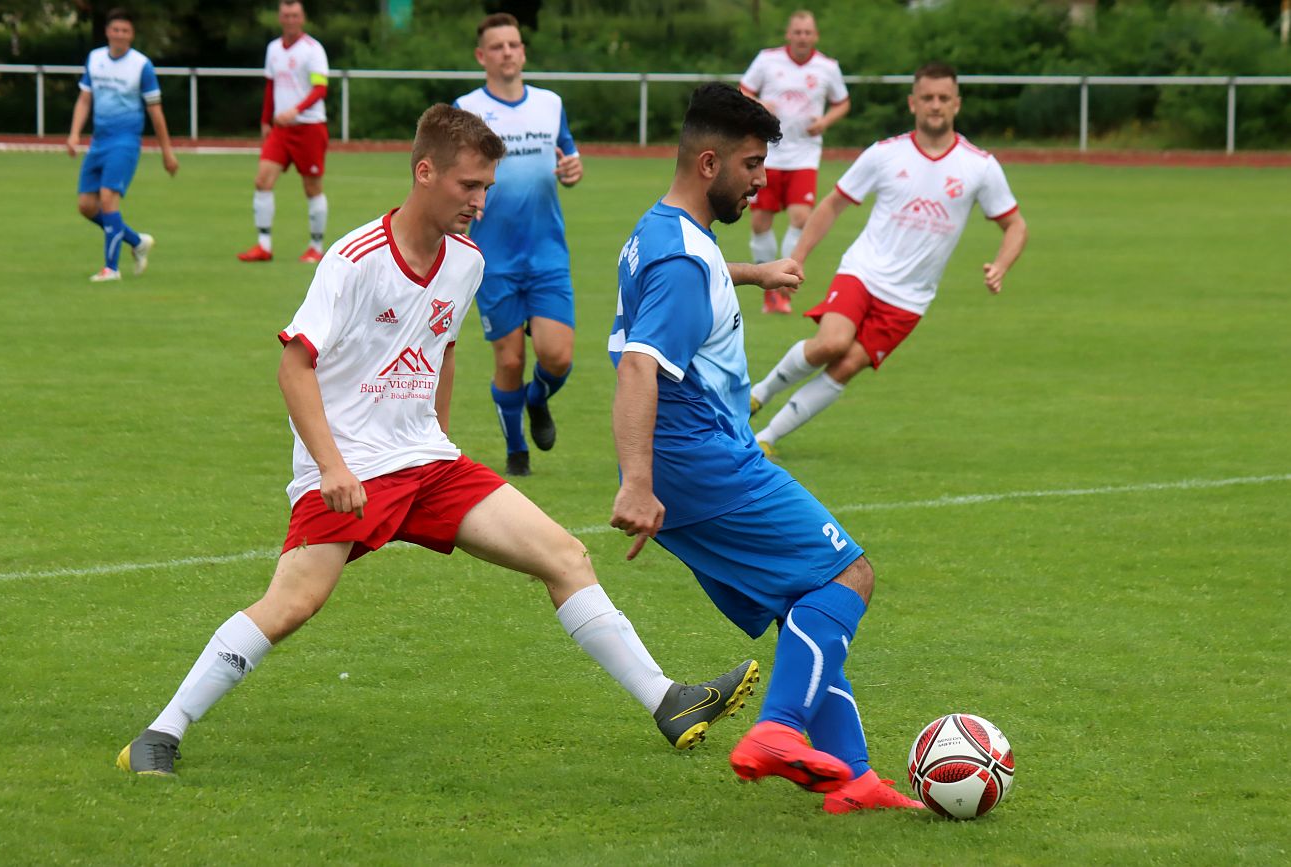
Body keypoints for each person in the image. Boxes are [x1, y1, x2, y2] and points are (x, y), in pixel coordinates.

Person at [117, 104, 758, 778]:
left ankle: (668, 701)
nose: (481, 202)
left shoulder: (466, 263)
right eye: (469, 186)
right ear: (425, 172)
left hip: (428, 464)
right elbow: (293, 365)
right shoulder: (354, 259)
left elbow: (441, 347)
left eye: (487, 188)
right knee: (292, 604)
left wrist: (437, 434)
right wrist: (332, 466)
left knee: (565, 556)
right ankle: (162, 731)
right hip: (350, 468)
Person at [608, 83, 923, 814]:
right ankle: (779, 729)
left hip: (690, 458)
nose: (763, 181)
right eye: (753, 164)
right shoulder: (684, 260)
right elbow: (638, 363)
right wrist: (637, 481)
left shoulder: (665, 233)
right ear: (710, 161)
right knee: (848, 576)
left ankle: (855, 777)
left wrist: (754, 274)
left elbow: (685, 286)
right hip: (701, 456)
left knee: (799, 601)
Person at [751, 62, 1028, 455]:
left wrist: (1001, 264)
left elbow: (1016, 226)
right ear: (912, 102)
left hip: (910, 298)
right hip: (862, 271)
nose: (936, 105)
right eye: (928, 98)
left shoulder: (979, 166)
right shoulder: (884, 154)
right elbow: (831, 205)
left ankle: (766, 439)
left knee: (846, 366)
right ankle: (757, 395)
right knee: (831, 344)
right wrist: (796, 257)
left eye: (944, 98)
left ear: (957, 104)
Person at [454, 13, 583, 477]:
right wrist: (468, 197)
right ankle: (516, 449)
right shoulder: (467, 107)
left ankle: (537, 398)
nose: (507, 52)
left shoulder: (550, 103)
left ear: (523, 52)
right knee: (509, 359)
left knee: (558, 356)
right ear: (482, 56)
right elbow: (456, 170)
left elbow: (568, 154)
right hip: (494, 256)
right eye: (498, 46)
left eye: (514, 44)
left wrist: (574, 170)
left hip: (547, 250)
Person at [739, 9, 849, 314]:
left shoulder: (827, 67)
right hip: (769, 154)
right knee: (761, 222)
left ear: (815, 36)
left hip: (805, 155)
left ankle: (783, 287)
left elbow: (843, 102)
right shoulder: (767, 59)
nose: (802, 37)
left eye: (807, 32)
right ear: (789, 34)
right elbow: (744, 88)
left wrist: (825, 121)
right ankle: (767, 285)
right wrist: (759, 103)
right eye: (797, 32)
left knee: (801, 217)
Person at [66, 7, 178, 282]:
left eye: (125, 31)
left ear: (131, 35)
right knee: (86, 206)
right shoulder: (95, 59)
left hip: (125, 141)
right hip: (99, 141)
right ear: (107, 32)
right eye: (115, 30)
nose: (119, 35)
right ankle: (137, 241)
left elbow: (155, 111)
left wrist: (167, 152)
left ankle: (111, 268)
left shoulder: (141, 65)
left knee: (107, 200)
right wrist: (74, 133)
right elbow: (84, 99)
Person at [237, 0, 331, 264]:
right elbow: (270, 86)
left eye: (295, 15)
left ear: (302, 18)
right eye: (286, 15)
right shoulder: (273, 49)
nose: (291, 19)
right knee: (262, 181)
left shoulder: (313, 50)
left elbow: (320, 89)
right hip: (280, 129)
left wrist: (295, 110)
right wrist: (266, 120)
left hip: (310, 127)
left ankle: (316, 246)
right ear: (280, 17)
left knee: (312, 187)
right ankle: (263, 245)